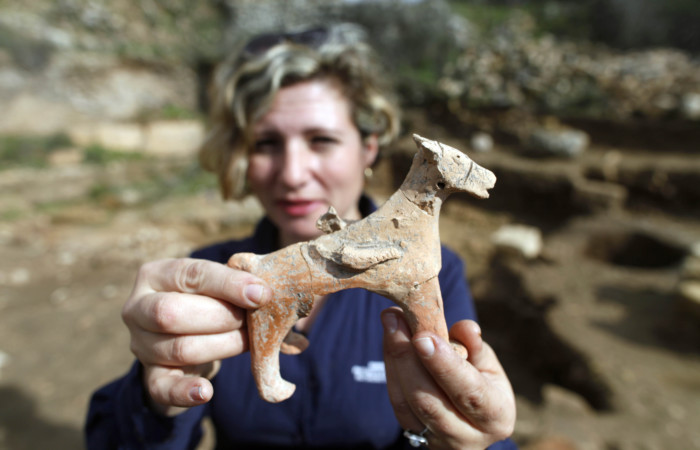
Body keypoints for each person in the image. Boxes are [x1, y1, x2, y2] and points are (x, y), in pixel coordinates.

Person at [85, 23, 517, 449]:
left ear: (368, 147)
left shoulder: (445, 268)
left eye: (322, 139)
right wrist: (154, 395)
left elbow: (461, 412)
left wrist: (468, 438)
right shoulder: (211, 273)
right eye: (266, 143)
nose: (292, 175)